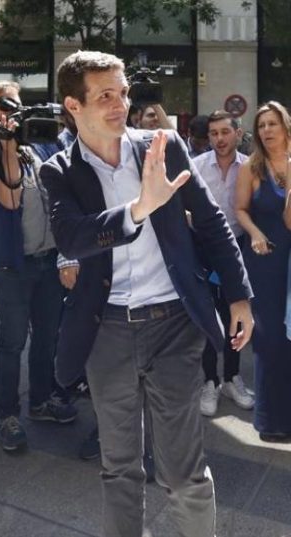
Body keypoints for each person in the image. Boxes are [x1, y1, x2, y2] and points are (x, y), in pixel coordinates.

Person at [41, 50, 253, 537]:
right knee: (119, 467)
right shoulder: (58, 170)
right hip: (107, 329)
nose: (121, 105)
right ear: (73, 105)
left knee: (182, 470)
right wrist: (139, 208)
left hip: (174, 324)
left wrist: (239, 295)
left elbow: (211, 222)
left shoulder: (163, 145)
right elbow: (71, 236)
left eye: (123, 93)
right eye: (105, 96)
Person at [0, 80, 77, 453]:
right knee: (12, 342)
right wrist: (6, 145)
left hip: (49, 260)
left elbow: (66, 193)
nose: (11, 111)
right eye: (2, 105)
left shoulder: (45, 143)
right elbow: (9, 198)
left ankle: (41, 400)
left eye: (15, 104)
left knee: (47, 338)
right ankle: (8, 415)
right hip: (12, 266)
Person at [234, 101, 291, 442]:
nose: (266, 130)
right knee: (270, 340)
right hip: (265, 259)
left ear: (286, 126)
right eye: (261, 125)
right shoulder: (251, 167)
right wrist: (255, 233)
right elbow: (239, 209)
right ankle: (271, 421)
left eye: (272, 123)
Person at [193, 110, 254, 417]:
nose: (219, 139)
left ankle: (232, 377)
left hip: (238, 249)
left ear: (237, 134)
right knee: (208, 316)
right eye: (213, 133)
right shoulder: (197, 166)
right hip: (203, 249)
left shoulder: (250, 167)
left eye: (224, 132)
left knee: (236, 314)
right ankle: (210, 380)